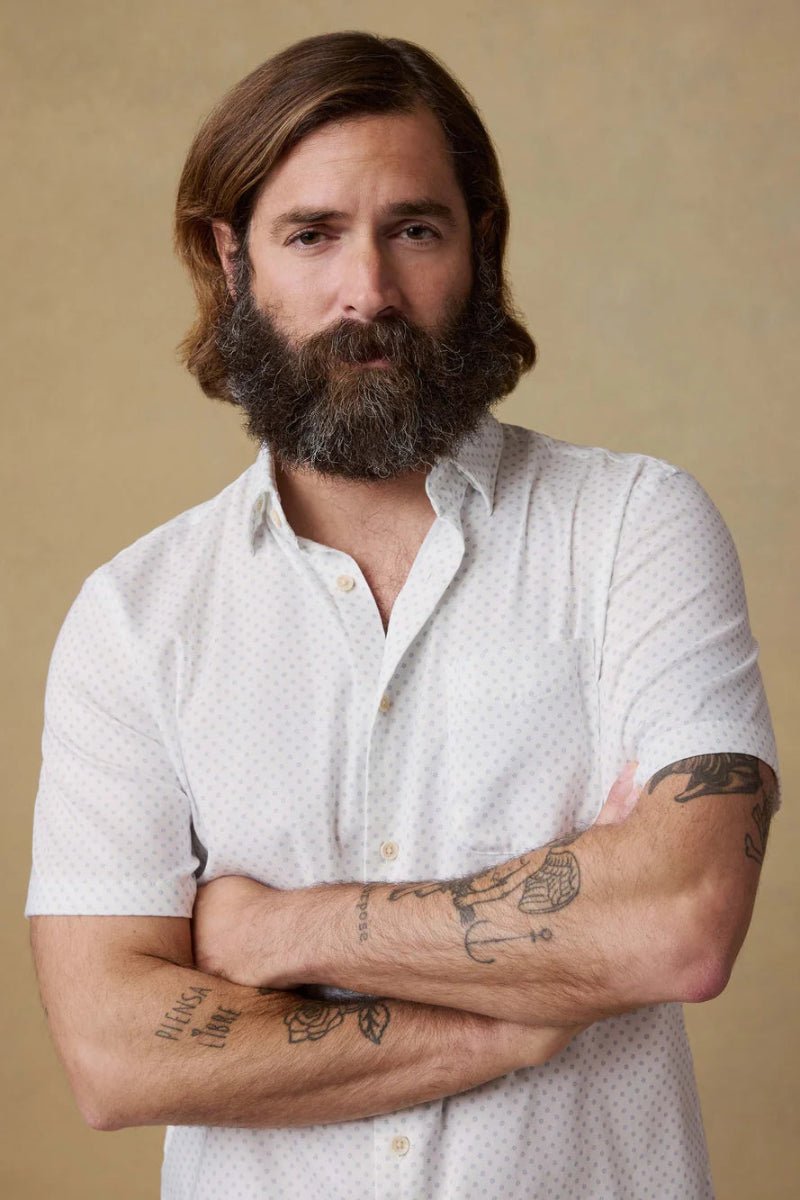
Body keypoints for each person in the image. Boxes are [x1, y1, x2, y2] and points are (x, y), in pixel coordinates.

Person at [26, 29, 780, 1200]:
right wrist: (510, 1024)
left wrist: (282, 934)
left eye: (412, 230)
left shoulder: (632, 527)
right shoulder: (136, 618)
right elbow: (114, 1053)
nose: (365, 291)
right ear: (231, 260)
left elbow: (679, 921)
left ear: (478, 247)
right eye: (311, 234)